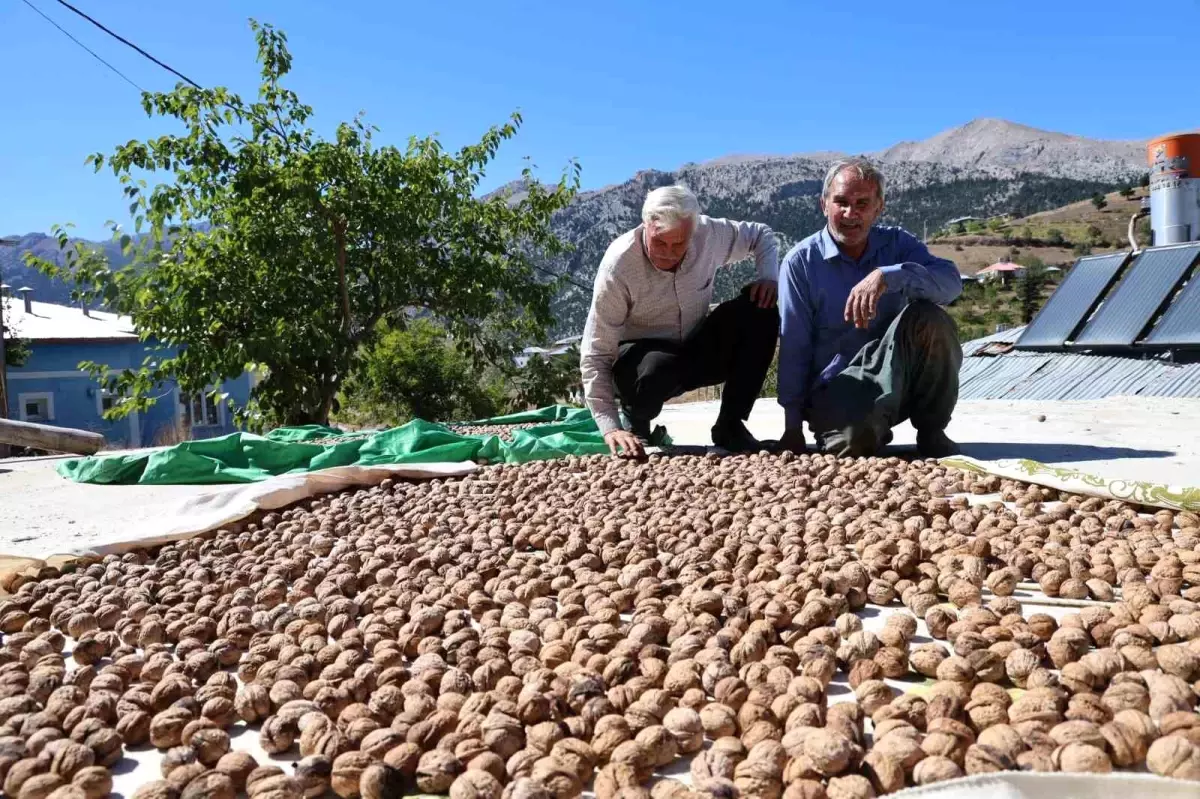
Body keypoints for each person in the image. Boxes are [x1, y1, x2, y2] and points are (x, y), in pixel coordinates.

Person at [777, 157, 964, 459]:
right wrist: (792, 428)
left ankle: (932, 430)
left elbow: (951, 284)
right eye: (841, 202)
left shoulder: (898, 245)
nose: (851, 214)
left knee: (931, 318)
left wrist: (889, 275)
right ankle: (866, 426)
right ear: (824, 204)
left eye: (863, 203)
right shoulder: (801, 263)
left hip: (900, 378)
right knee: (852, 447)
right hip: (840, 386)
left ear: (879, 208)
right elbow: (794, 345)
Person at [580, 185, 780, 457]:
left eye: (679, 244)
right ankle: (637, 419)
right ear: (646, 225)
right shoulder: (619, 265)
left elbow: (762, 235)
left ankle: (730, 426)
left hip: (694, 348)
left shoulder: (708, 234)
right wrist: (610, 427)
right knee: (654, 369)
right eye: (660, 242)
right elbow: (596, 352)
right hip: (642, 363)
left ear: (693, 231)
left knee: (761, 310)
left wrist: (768, 277)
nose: (669, 253)